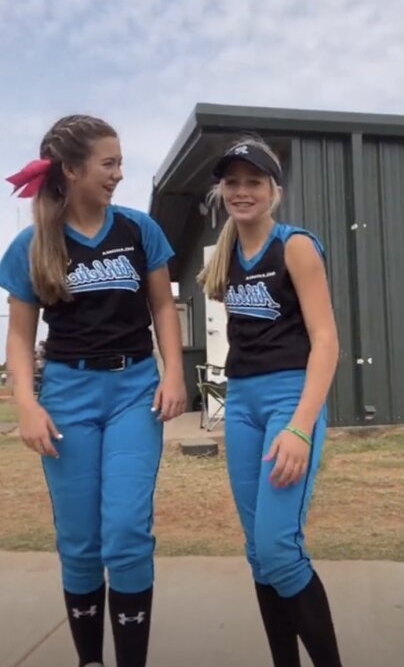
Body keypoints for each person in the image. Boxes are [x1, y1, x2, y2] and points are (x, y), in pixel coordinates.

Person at [0, 114, 187, 667]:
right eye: (109, 163)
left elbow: (162, 306)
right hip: (67, 396)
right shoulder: (33, 244)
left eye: (119, 163)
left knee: (126, 532)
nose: (118, 174)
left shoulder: (138, 230)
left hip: (134, 391)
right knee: (80, 541)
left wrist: (174, 373)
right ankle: (90, 661)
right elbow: (19, 335)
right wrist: (26, 404)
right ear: (71, 169)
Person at [198, 136, 343, 667]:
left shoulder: (295, 246)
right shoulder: (225, 257)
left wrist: (300, 427)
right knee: (259, 553)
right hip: (242, 402)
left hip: (289, 399)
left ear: (274, 191)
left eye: (253, 182)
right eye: (232, 182)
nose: (242, 191)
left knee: (280, 548)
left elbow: (326, 340)